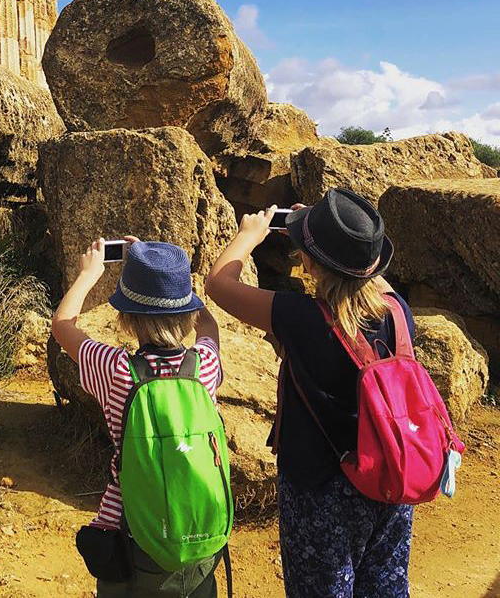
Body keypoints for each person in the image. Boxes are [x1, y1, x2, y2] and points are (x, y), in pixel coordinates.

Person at [204, 189, 415, 598]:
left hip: (319, 489)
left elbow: (217, 282)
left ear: (311, 262)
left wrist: (251, 234)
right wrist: (329, 238)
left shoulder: (300, 318)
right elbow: (367, 275)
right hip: (390, 474)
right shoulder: (397, 312)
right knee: (385, 584)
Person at [52, 237, 228, 598]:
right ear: (188, 313)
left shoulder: (118, 370)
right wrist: (178, 282)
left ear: (127, 319)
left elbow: (63, 325)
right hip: (201, 543)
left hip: (135, 540)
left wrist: (90, 273)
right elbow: (209, 330)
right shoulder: (204, 366)